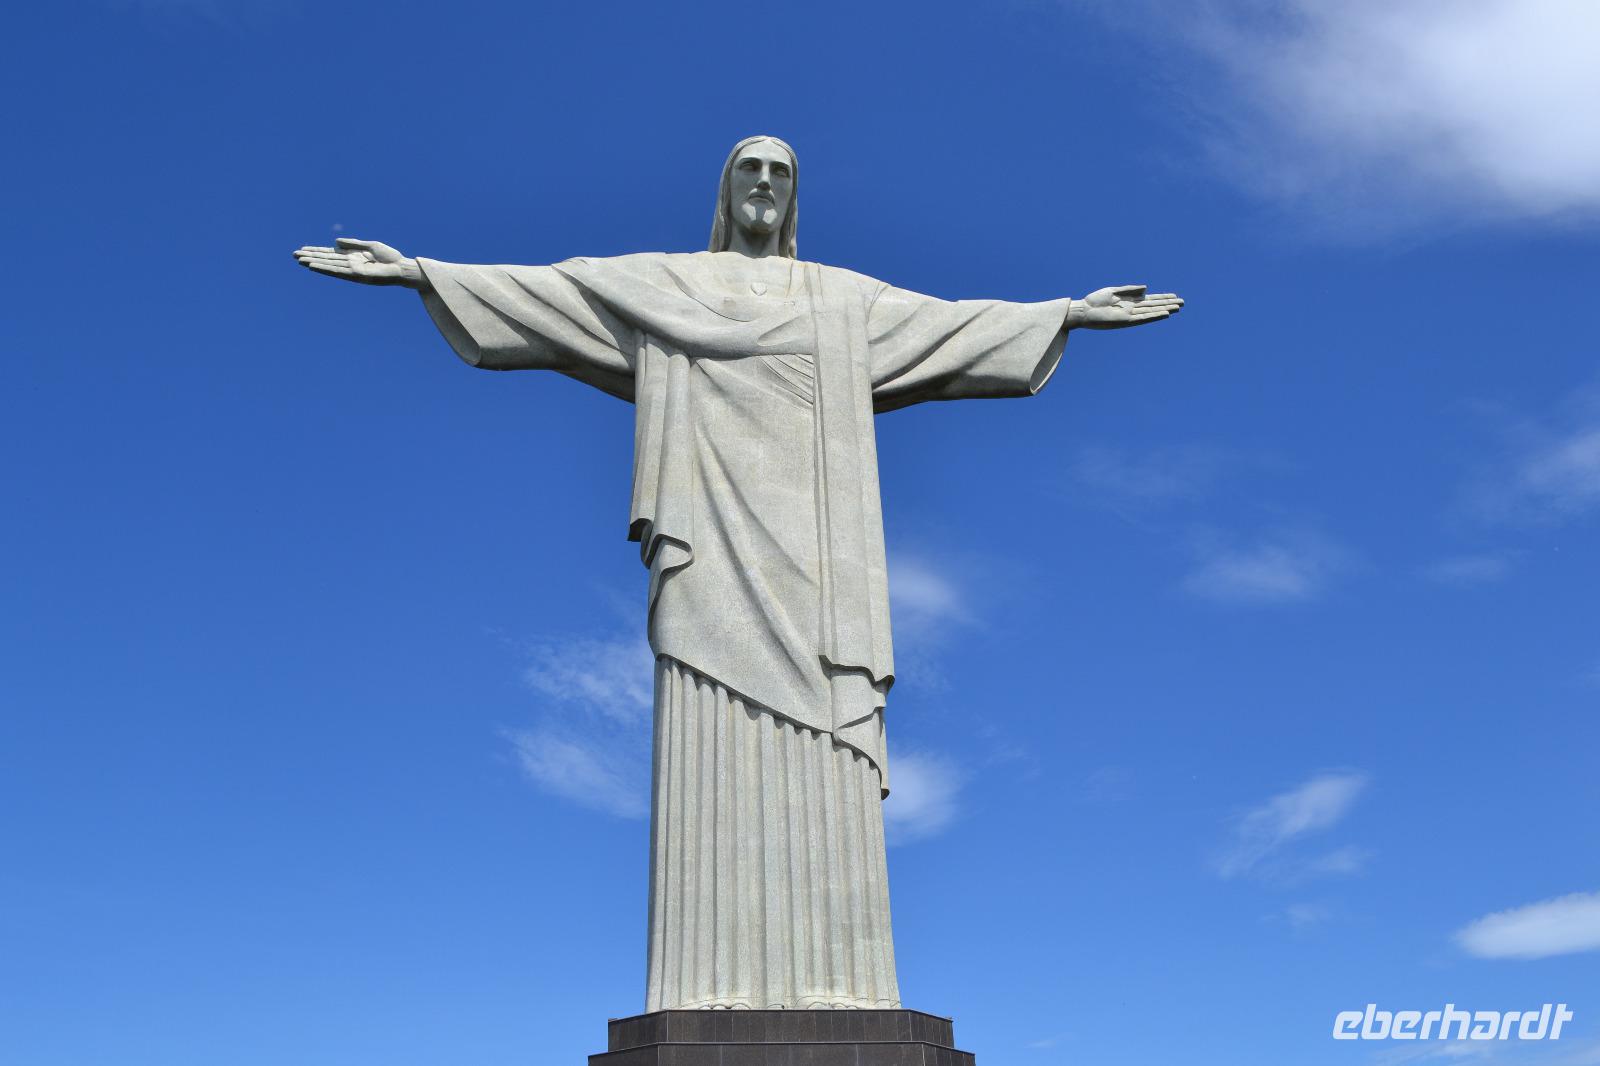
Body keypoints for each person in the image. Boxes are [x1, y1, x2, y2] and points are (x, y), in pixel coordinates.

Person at [293, 134, 1182, 1012]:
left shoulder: (841, 300)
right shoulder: (666, 284)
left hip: (820, 557)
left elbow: (949, 325)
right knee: (708, 725)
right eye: (749, 170)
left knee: (826, 736)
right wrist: (418, 271)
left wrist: (1063, 312)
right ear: (726, 190)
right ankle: (701, 983)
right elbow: (553, 293)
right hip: (711, 542)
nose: (764, 183)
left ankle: (846, 986)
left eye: (781, 173)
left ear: (795, 196)